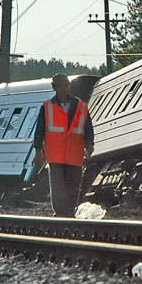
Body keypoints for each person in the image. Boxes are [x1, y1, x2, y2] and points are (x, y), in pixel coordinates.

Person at [34, 74, 94, 217]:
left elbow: (88, 127)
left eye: (66, 85)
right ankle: (60, 212)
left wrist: (89, 144)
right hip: (55, 154)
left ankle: (70, 211)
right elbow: (40, 129)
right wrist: (37, 150)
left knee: (73, 184)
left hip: (75, 153)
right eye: (61, 85)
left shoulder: (81, 106)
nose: (64, 88)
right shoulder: (47, 107)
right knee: (57, 185)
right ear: (54, 87)